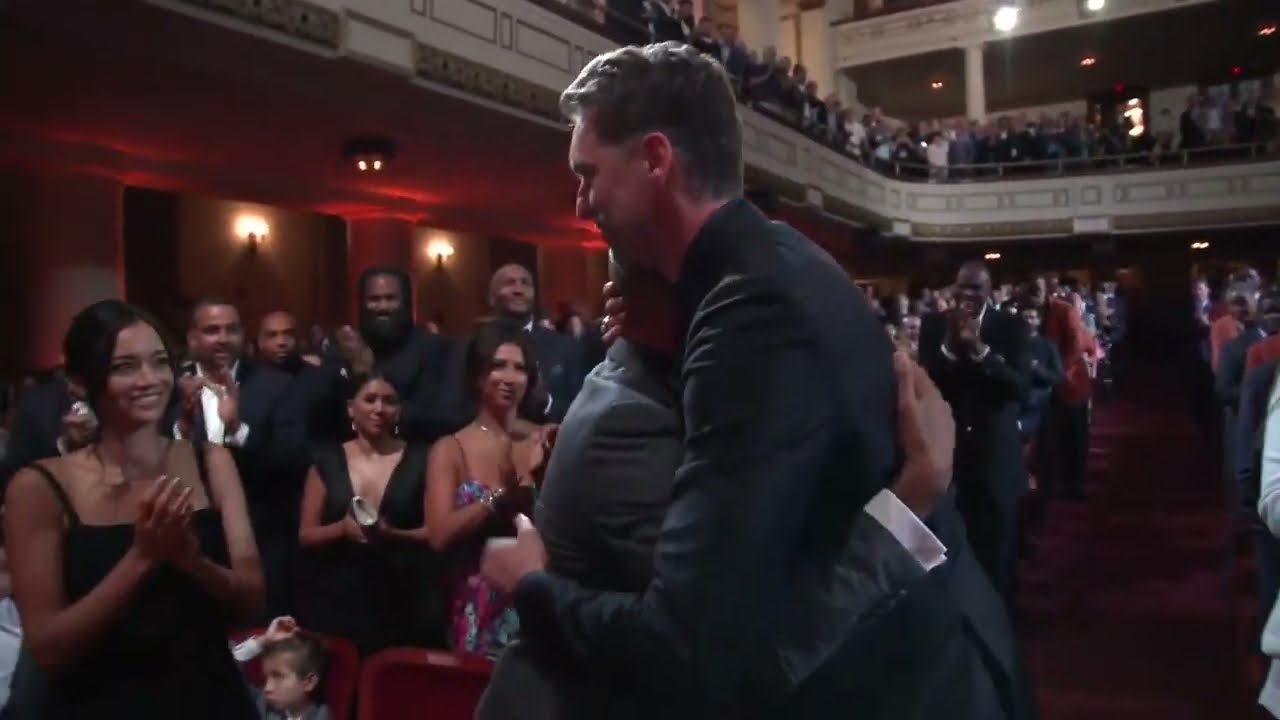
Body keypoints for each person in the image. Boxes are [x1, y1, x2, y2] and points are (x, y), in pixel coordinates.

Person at [479, 42, 992, 718]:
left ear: (655, 158)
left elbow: (690, 650)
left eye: (588, 173)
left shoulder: (749, 310)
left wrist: (532, 585)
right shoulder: (781, 258)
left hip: (891, 683)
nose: (579, 204)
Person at [3, 299, 263, 718]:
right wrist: (142, 557)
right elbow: (48, 648)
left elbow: (252, 600)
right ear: (80, 382)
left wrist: (192, 561)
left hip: (210, 698)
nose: (149, 379)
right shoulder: (40, 486)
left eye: (159, 362)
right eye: (125, 367)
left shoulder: (210, 462)